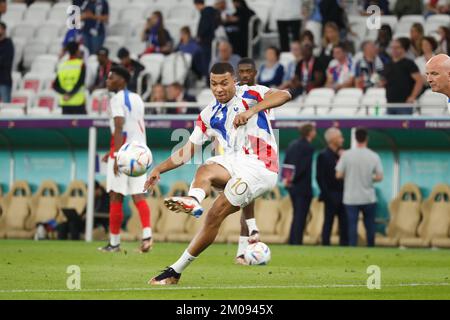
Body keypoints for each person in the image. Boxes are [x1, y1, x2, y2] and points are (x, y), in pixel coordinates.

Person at [143, 62, 292, 285]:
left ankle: (176, 270)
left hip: (262, 166)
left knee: (214, 215)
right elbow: (187, 151)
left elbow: (285, 94)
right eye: (214, 84)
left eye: (224, 83)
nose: (219, 88)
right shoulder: (208, 114)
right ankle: (193, 200)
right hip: (235, 161)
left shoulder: (251, 93)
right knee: (204, 168)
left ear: (234, 81)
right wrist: (158, 169)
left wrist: (251, 111)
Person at [98, 66, 153, 253]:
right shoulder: (138, 98)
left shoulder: (115, 99)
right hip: (140, 153)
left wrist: (116, 154)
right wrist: (113, 150)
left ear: (122, 80)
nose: (108, 81)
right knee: (138, 196)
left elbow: (120, 125)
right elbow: (133, 127)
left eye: (111, 77)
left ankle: (114, 243)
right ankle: (147, 236)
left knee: (115, 195)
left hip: (124, 154)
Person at [234, 57, 264, 265]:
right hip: (234, 150)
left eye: (248, 71)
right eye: (241, 71)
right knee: (244, 196)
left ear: (255, 72)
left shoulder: (263, 92)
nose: (244, 75)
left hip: (258, 150)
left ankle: (242, 251)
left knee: (246, 195)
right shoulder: (233, 92)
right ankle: (244, 248)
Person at [336, 127, 383, 247]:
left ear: (355, 138)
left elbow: (338, 175)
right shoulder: (374, 156)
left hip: (351, 197)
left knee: (352, 225)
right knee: (370, 225)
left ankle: (352, 248)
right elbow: (379, 177)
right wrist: (368, 177)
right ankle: (370, 247)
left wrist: (351, 175)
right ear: (367, 138)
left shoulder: (346, 155)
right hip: (368, 197)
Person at [283, 123, 316, 245]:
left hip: (292, 187)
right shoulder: (308, 147)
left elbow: (286, 164)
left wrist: (287, 180)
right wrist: (293, 179)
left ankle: (293, 240)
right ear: (310, 132)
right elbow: (302, 167)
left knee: (296, 215)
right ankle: (297, 241)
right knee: (300, 216)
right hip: (302, 188)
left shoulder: (292, 145)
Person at [316, 127, 348, 246]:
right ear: (333, 139)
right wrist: (327, 194)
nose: (342, 140)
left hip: (344, 194)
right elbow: (319, 177)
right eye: (340, 137)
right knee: (328, 222)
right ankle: (326, 244)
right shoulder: (323, 155)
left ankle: (345, 246)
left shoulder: (342, 155)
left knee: (344, 223)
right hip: (330, 195)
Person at [382, 38, 423, 115]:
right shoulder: (388, 65)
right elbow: (386, 81)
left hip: (404, 104)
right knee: (389, 126)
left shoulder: (409, 64)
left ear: (403, 49)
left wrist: (412, 97)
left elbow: (419, 81)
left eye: (397, 47)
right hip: (390, 103)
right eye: (392, 47)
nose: (394, 50)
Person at [53, 42, 87, 115]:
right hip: (78, 102)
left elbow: (55, 86)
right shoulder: (81, 64)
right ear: (77, 51)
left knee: (66, 126)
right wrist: (70, 94)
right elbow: (80, 83)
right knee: (82, 126)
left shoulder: (62, 65)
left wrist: (65, 93)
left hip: (65, 103)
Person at [194, 0, 220, 77]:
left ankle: (207, 79)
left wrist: (199, 36)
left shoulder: (206, 13)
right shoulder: (211, 12)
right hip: (210, 41)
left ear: (197, 4)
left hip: (206, 42)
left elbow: (205, 26)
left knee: (206, 62)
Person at [0, 22, 14, 103]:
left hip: (4, 80)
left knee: (6, 106)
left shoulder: (8, 43)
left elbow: (6, 60)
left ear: (4, 30)